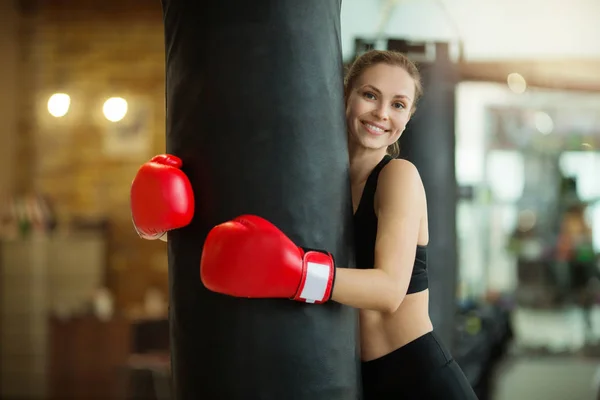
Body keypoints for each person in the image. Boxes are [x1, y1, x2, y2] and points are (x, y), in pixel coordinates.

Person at [130, 50, 477, 399]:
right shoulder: (318, 183)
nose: (382, 113)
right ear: (345, 95)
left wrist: (298, 274)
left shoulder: (398, 176)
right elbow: (249, 245)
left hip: (419, 378)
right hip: (358, 382)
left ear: (409, 115)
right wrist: (171, 229)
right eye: (370, 95)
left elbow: (388, 291)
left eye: (399, 104)